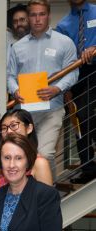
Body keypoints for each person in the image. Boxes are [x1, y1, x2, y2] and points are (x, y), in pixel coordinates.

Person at [8, 0, 78, 177]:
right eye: (33, 15)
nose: (37, 19)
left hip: (52, 109)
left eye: (41, 14)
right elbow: (9, 75)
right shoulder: (17, 47)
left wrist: (57, 88)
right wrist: (15, 90)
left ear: (49, 15)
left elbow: (73, 72)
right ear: (28, 17)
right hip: (23, 112)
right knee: (20, 157)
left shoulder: (65, 42)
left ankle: (47, 197)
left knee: (45, 155)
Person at [0, 133, 62, 231]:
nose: (11, 165)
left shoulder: (45, 196)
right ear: (0, 161)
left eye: (18, 158)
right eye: (7, 158)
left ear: (28, 162)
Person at [57, 0, 96, 183]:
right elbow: (61, 59)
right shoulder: (62, 25)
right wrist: (66, 87)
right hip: (78, 77)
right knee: (79, 118)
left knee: (88, 115)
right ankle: (87, 167)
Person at [0, 109, 53, 187]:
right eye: (4, 128)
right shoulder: (2, 161)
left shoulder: (39, 163)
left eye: (14, 125)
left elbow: (48, 198)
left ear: (29, 128)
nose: (9, 131)